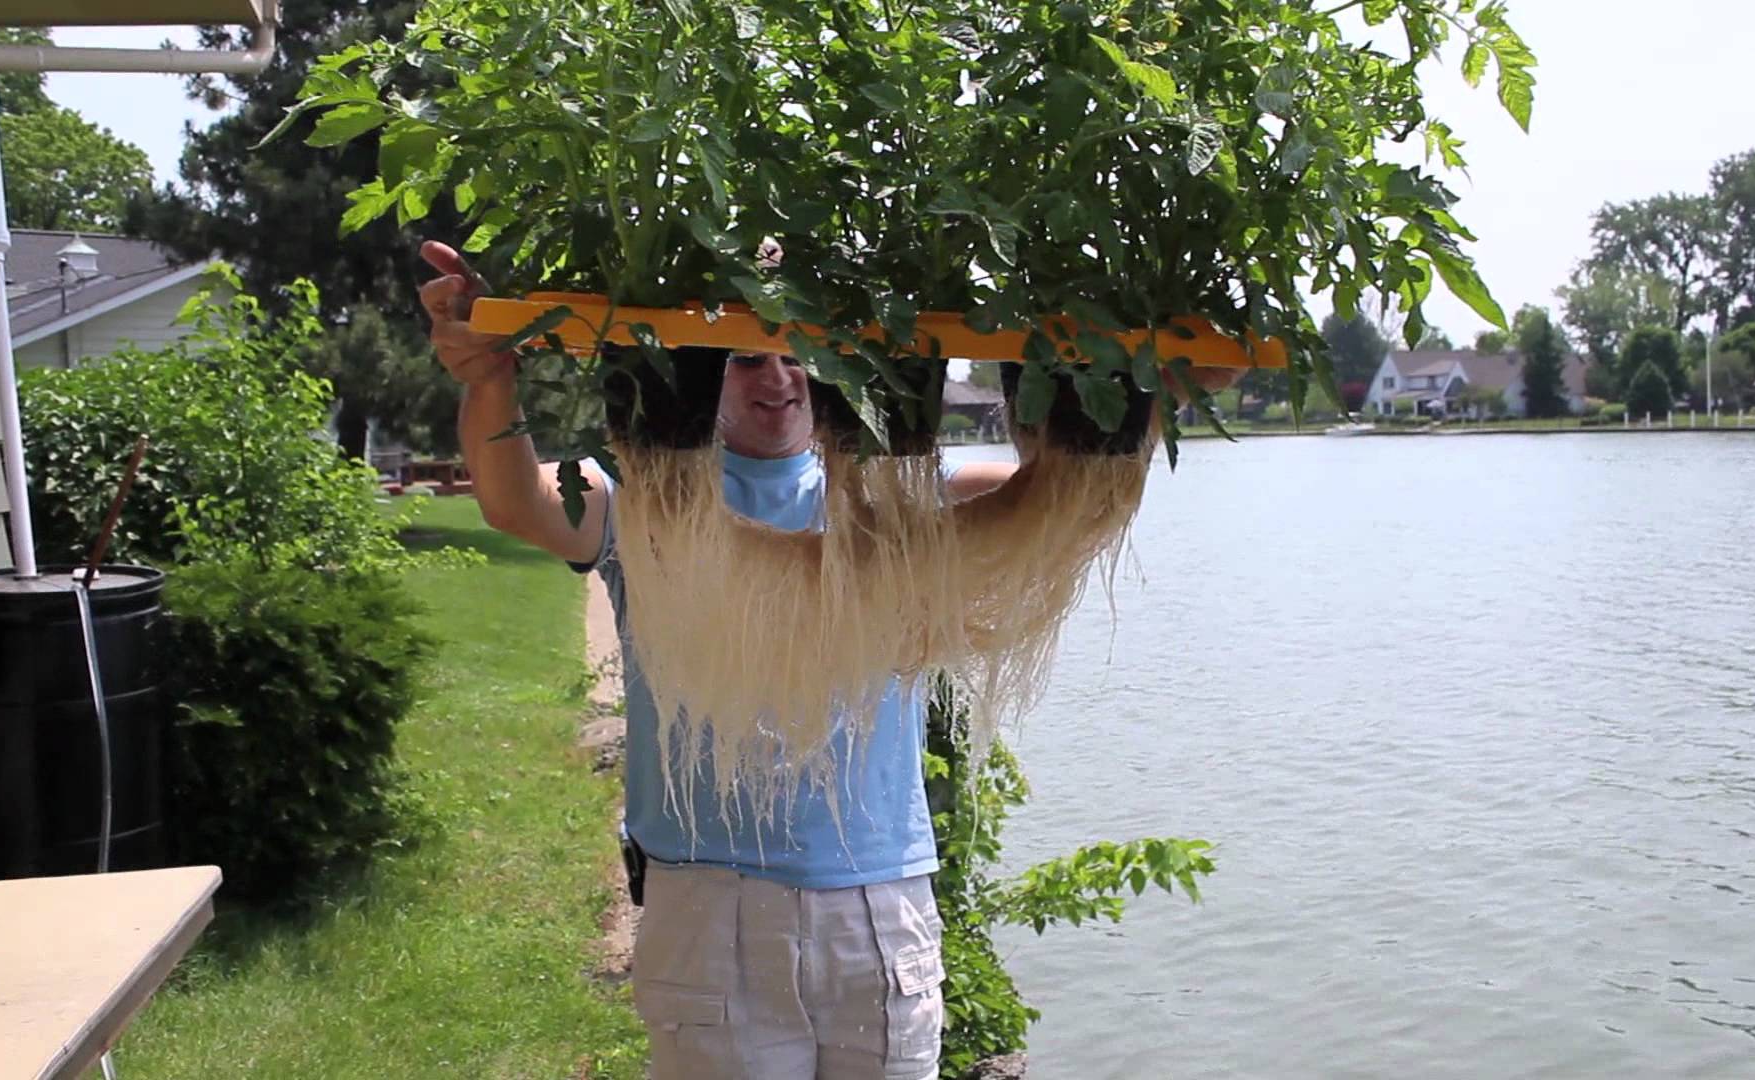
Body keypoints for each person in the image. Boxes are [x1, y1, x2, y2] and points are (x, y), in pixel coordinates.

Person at [419, 240, 1238, 1078]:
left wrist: (1156, 387)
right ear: (697, 367)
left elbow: (1068, 489)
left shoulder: (908, 505)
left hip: (879, 903)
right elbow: (514, 500)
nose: (776, 379)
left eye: (796, 355)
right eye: (742, 358)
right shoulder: (638, 500)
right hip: (711, 907)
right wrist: (488, 379)